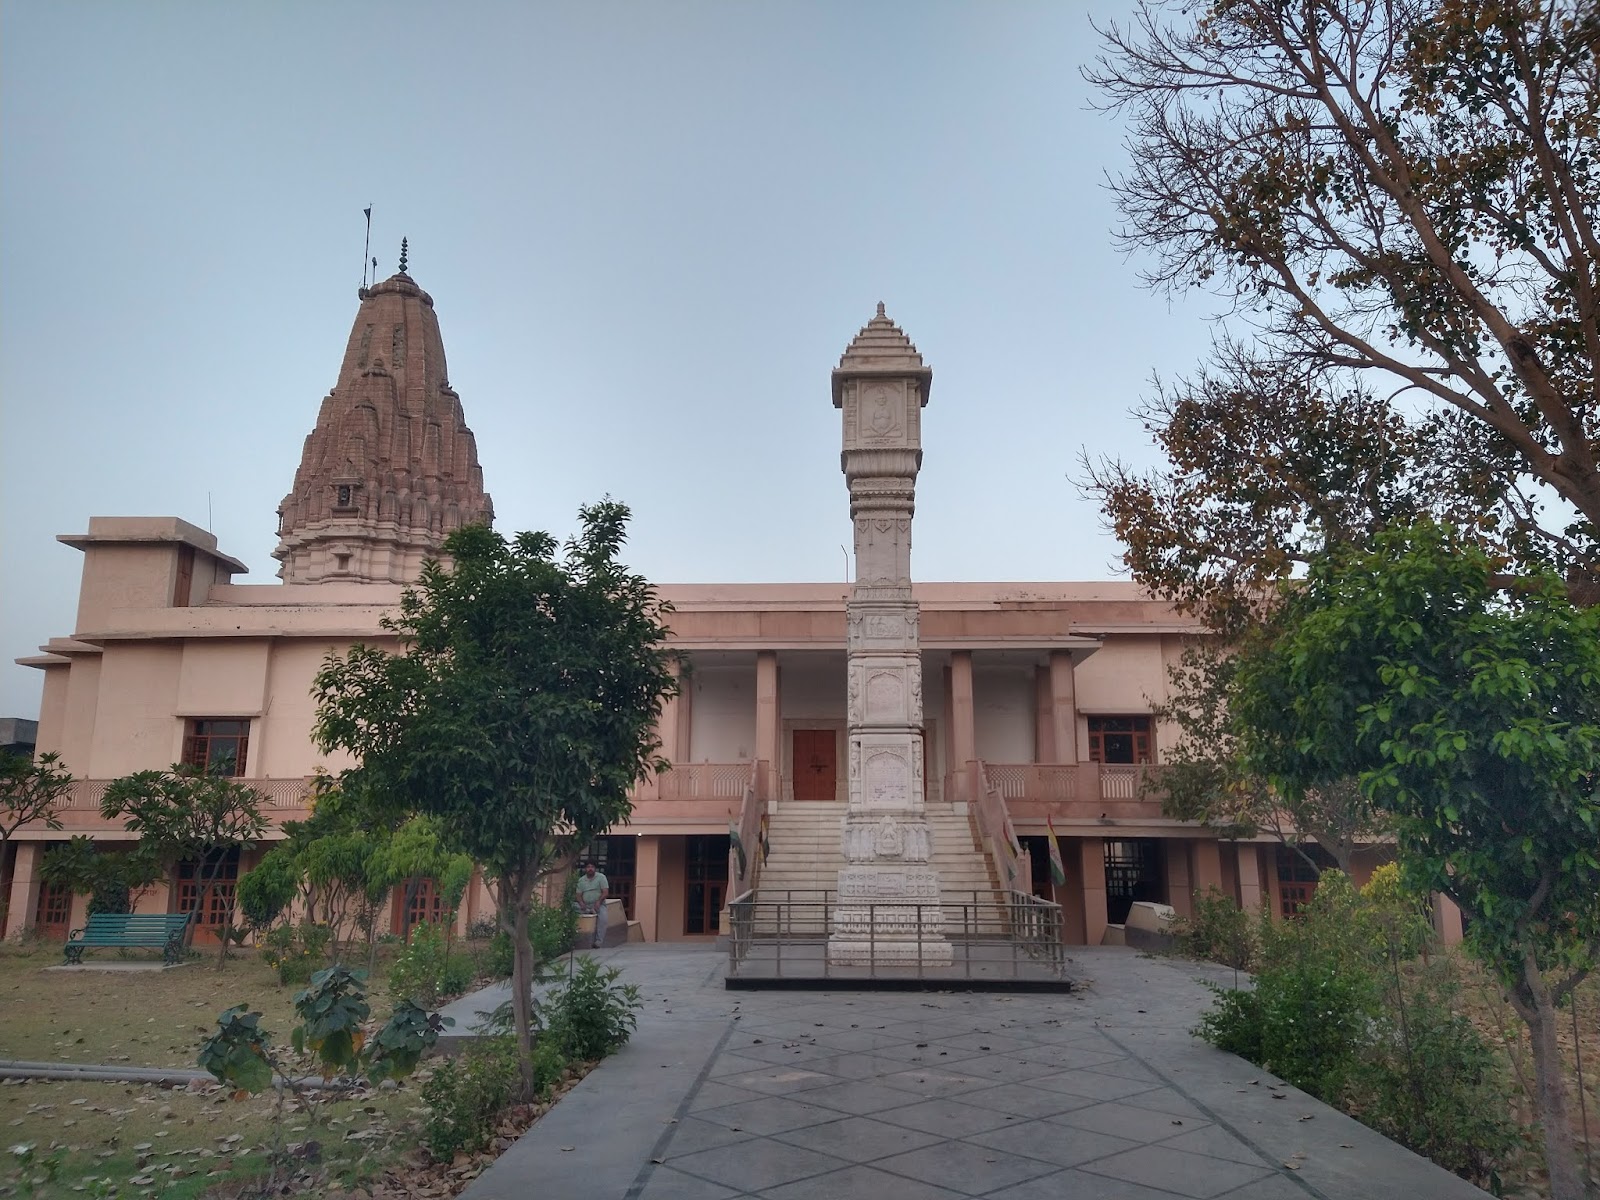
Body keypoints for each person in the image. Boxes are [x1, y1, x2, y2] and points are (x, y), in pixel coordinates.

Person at [575, 860, 609, 949]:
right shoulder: (581, 880)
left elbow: (605, 892)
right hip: (585, 905)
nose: (590, 869)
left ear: (595, 868)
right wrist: (581, 903)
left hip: (599, 904)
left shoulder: (601, 877)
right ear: (585, 869)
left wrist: (598, 902)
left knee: (603, 918)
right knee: (572, 908)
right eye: (588, 867)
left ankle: (598, 941)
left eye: (592, 867)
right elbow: (578, 895)